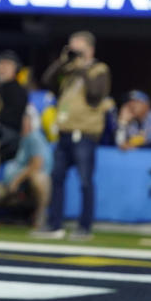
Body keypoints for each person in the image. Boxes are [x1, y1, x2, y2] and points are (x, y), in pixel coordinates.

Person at [35, 31, 110, 240]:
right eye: (72, 47)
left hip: (85, 134)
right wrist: (62, 62)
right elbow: (47, 81)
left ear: (90, 49)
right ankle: (54, 225)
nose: (74, 52)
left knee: (85, 181)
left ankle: (84, 228)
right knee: (56, 178)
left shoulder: (99, 69)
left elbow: (95, 96)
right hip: (65, 132)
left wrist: (83, 68)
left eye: (78, 48)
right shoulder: (68, 71)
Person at [0, 105, 51, 231]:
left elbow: (37, 164)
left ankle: (40, 215)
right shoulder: (24, 138)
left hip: (24, 185)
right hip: (11, 184)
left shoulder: (34, 137)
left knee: (39, 179)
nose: (22, 121)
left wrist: (17, 180)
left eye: (25, 118)